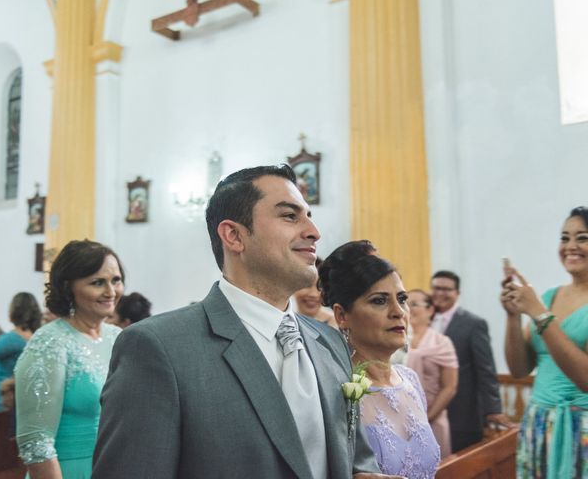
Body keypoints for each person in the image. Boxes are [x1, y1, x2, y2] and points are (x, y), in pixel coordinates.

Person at [93, 165, 391, 479]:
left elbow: (354, 460)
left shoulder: (329, 343)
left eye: (309, 216)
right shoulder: (159, 348)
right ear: (234, 235)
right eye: (290, 216)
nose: (314, 233)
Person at [318, 239, 440, 477]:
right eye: (379, 301)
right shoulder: (336, 390)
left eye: (402, 299)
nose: (398, 312)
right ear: (342, 315)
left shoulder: (410, 380)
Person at [14, 240, 124, 479]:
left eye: (115, 280)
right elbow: (36, 441)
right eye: (97, 283)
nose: (111, 291)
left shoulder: (120, 338)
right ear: (68, 288)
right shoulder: (49, 343)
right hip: (68, 471)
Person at [501, 206, 588, 479]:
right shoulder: (550, 296)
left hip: (582, 428)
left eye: (582, 238)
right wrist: (514, 317)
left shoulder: (542, 306)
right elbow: (519, 369)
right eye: (564, 238)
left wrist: (538, 313)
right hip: (539, 423)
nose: (570, 246)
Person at [430, 270, 511, 452]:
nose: (440, 293)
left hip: (462, 410)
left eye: (446, 289)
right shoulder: (423, 319)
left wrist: (493, 410)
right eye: (436, 288)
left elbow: (486, 369)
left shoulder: (473, 323)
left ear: (457, 293)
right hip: (428, 407)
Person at [405, 289, 459, 457]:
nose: (408, 308)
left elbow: (449, 387)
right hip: (400, 420)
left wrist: (426, 418)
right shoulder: (395, 339)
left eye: (414, 304)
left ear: (430, 310)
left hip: (432, 419)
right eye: (404, 303)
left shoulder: (442, 342)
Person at [0, 293, 41, 413]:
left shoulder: (14, 338)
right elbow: (7, 348)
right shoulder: (32, 337)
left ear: (13, 312)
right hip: (15, 399)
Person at [293, 257, 338, 328]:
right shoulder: (283, 322)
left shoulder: (338, 327)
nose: (313, 294)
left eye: (320, 287)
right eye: (306, 285)